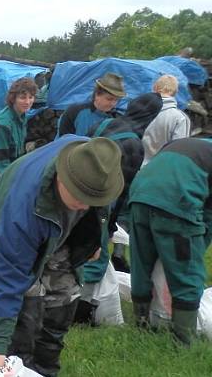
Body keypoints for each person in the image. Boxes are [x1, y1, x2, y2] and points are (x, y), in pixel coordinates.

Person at [0, 135, 123, 377]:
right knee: (26, 306)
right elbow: (5, 277)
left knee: (64, 297)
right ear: (62, 176)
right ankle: (16, 371)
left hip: (56, 232)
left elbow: (103, 211)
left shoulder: (97, 163)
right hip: (11, 232)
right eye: (80, 197)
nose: (85, 206)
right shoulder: (22, 210)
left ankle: (46, 375)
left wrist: (94, 241)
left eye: (91, 199)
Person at [74, 92, 163, 323]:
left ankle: (69, 296)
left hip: (77, 192)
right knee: (97, 254)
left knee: (76, 248)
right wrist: (111, 225)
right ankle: (81, 310)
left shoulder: (103, 123)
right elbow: (121, 193)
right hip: (99, 203)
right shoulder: (134, 144)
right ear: (151, 117)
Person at [128, 136, 212, 346]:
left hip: (139, 194)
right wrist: (198, 248)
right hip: (176, 201)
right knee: (187, 271)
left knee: (141, 263)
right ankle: (183, 340)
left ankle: (141, 324)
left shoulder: (192, 143)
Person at [141, 74, 191, 165]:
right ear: (175, 92)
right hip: (162, 170)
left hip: (137, 169)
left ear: (155, 88)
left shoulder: (139, 111)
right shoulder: (180, 118)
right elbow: (179, 151)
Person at [56, 72, 126, 138]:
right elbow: (63, 140)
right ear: (97, 94)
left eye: (116, 100)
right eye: (109, 99)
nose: (113, 104)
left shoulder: (115, 119)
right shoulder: (75, 111)